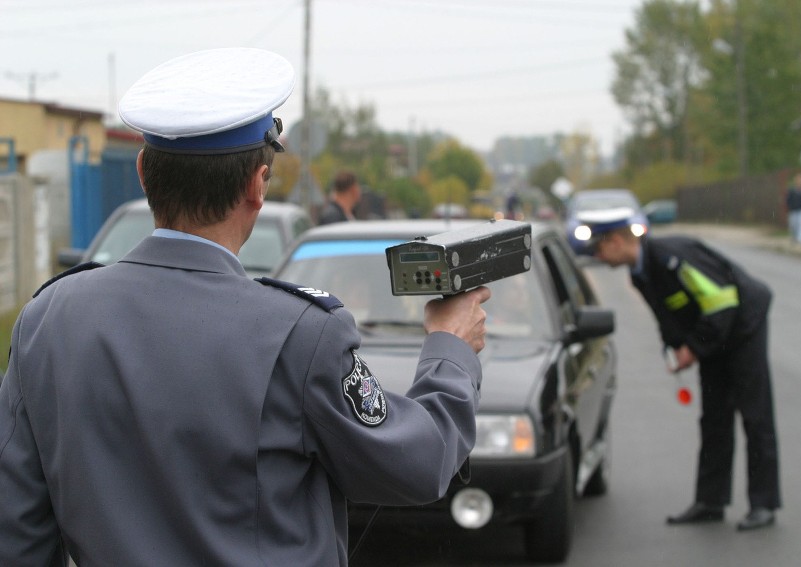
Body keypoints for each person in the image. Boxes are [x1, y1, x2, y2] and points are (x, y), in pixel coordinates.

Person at [0, 48, 491, 566]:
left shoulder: (48, 318)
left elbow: (15, 532)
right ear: (257, 186)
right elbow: (417, 463)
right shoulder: (299, 333)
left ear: (144, 172)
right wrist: (451, 349)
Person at [585, 207, 781, 532]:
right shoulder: (639, 271)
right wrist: (677, 346)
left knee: (755, 414)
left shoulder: (670, 257)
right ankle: (711, 502)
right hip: (715, 333)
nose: (599, 257)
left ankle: (764, 504)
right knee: (714, 417)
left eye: (600, 248)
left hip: (744, 326)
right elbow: (668, 314)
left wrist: (694, 347)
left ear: (618, 241)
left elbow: (723, 301)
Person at [785, 172, 801, 244]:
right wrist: (790, 207)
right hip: (793, 211)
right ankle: (795, 238)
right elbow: (788, 200)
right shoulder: (792, 191)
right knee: (794, 226)